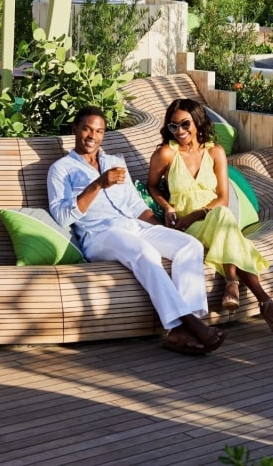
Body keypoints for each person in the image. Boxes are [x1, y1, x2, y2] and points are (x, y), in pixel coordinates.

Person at [48, 105, 226, 355]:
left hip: (134, 226)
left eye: (99, 131)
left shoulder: (114, 162)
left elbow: (135, 205)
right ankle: (191, 324)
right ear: (75, 129)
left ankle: (182, 331)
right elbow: (63, 216)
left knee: (189, 245)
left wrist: (164, 229)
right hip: (99, 235)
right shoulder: (61, 169)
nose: (92, 136)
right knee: (144, 252)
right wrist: (98, 184)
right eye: (87, 129)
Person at [147, 98, 273, 332]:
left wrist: (198, 214)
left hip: (210, 216)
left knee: (222, 215)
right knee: (226, 224)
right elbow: (152, 185)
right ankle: (262, 300)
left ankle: (236, 284)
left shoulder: (215, 152)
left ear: (198, 122)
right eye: (173, 126)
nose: (179, 131)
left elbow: (223, 197)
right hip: (186, 227)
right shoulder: (166, 154)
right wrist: (168, 207)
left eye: (185, 124)